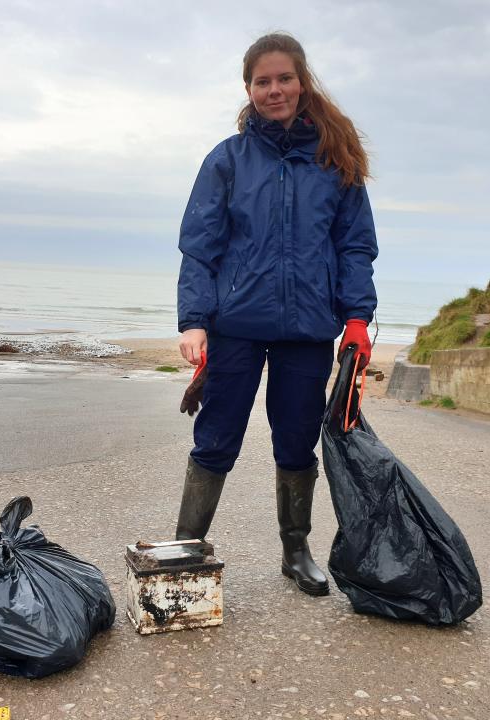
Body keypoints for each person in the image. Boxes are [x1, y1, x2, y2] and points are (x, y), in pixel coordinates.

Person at [175, 32, 378, 596]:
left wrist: (357, 319)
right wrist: (194, 320)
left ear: (302, 81)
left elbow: (354, 246)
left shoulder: (335, 160)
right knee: (215, 439)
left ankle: (296, 551)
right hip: (235, 327)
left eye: (284, 78)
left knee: (296, 442)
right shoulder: (228, 158)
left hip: (308, 330)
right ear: (249, 88)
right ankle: (186, 551)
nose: (274, 90)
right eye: (262, 81)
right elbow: (200, 245)